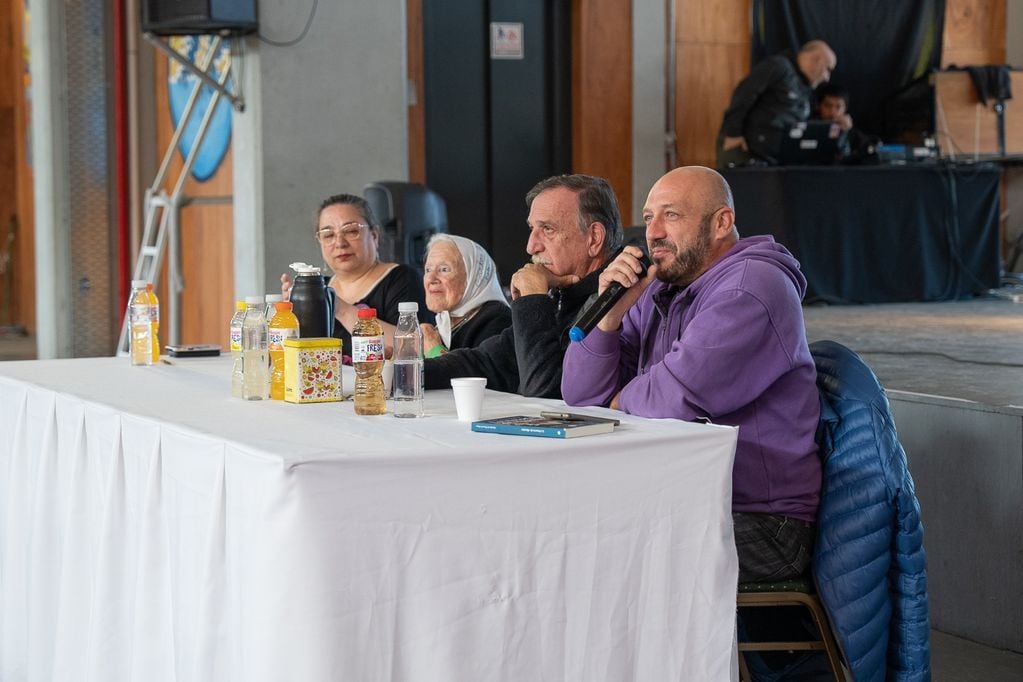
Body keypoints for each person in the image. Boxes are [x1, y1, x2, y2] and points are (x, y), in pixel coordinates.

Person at [561, 166, 821, 583]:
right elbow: (579, 395)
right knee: (556, 532)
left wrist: (617, 400)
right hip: (680, 496)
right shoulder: (659, 289)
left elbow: (675, 398)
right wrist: (608, 316)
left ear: (722, 223)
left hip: (761, 519)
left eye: (672, 215)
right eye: (648, 218)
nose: (654, 232)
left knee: (598, 558)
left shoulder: (752, 287)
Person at [424, 174, 623, 398]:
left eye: (548, 229)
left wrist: (533, 298)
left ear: (594, 238)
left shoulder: (618, 298)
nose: (531, 246)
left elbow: (545, 395)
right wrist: (396, 373)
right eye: (532, 229)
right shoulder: (563, 296)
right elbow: (486, 363)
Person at [281, 193, 431, 354]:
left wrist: (338, 307)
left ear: (374, 235)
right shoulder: (318, 287)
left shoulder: (403, 278)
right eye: (329, 235)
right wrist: (292, 316)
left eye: (351, 231)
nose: (340, 243)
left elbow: (413, 349)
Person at [717, 40, 837, 168]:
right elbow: (743, 95)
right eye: (827, 69)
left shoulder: (806, 88)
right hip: (745, 151)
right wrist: (732, 134)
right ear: (816, 59)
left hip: (774, 161)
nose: (827, 78)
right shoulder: (778, 66)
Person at [418, 233, 511, 356]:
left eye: (444, 269)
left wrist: (433, 349)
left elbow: (476, 374)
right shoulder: (446, 323)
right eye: (428, 270)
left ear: (473, 278)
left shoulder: (499, 322)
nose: (431, 278)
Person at [815, 83, 878, 162]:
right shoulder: (809, 129)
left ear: (845, 109)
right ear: (818, 106)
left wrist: (845, 132)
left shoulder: (853, 134)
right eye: (827, 106)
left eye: (838, 107)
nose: (832, 112)